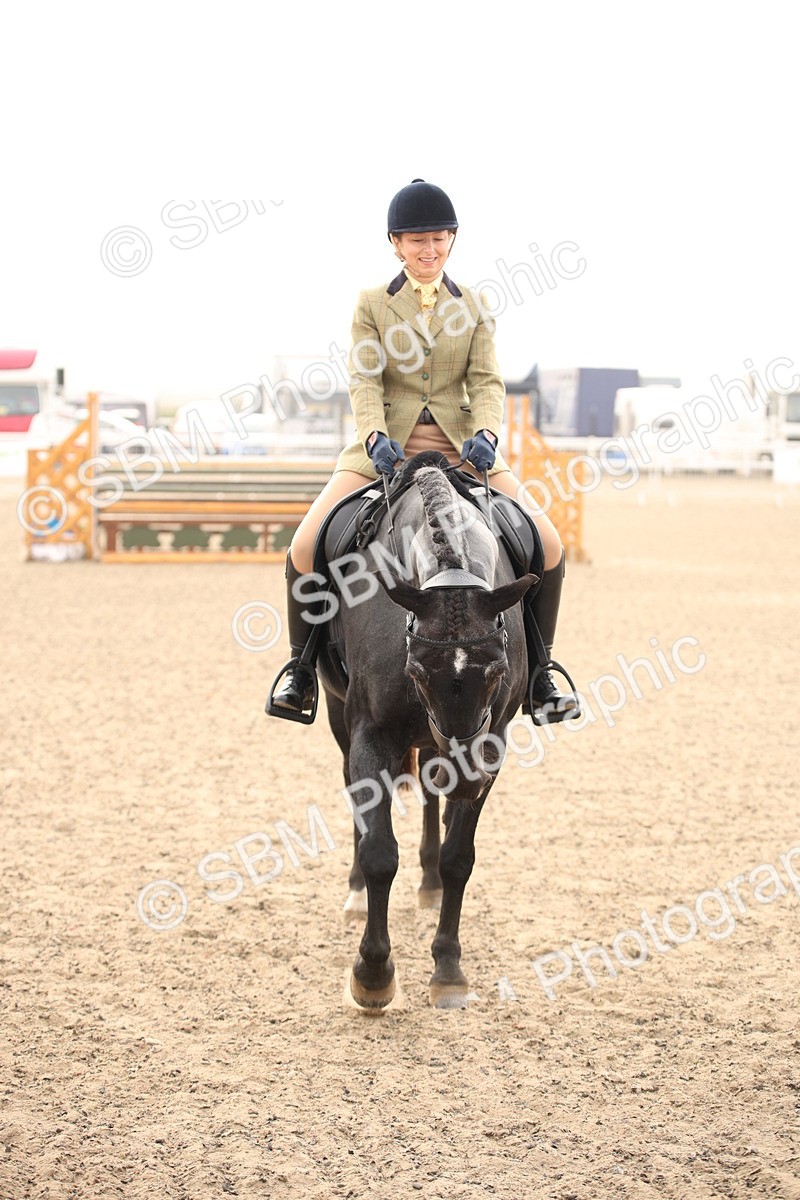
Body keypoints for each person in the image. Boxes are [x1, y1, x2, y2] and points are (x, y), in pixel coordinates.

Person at [268, 179, 579, 725]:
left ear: (452, 240)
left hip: (464, 450)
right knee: (304, 546)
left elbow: (486, 381)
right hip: (384, 447)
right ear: (395, 242)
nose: (427, 249)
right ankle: (300, 669)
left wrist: (486, 431)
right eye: (416, 240)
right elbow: (364, 378)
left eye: (437, 238)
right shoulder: (371, 304)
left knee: (548, 545)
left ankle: (541, 676)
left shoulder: (476, 306)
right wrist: (372, 436)